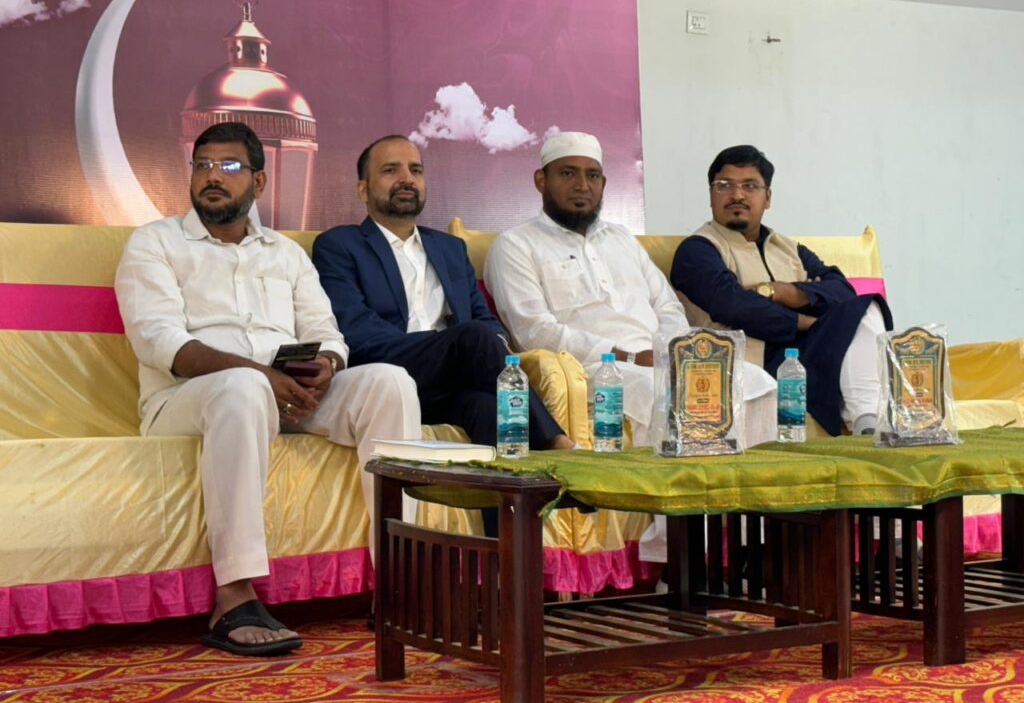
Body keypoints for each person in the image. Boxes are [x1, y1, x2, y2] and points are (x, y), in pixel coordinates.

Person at [115, 123, 420, 657]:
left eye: (230, 166)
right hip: (187, 400)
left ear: (259, 181)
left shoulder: (285, 253)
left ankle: (400, 585)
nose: (213, 176)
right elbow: (161, 342)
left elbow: (327, 332)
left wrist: (326, 364)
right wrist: (259, 374)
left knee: (390, 382)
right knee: (241, 387)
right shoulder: (155, 242)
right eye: (203, 165)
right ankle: (234, 596)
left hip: (285, 395)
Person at [483, 131, 777, 450]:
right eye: (568, 173)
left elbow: (667, 306)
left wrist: (668, 352)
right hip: (591, 368)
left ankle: (754, 479)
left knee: (757, 381)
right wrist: (627, 356)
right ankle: (670, 481)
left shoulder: (621, 239)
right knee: (655, 391)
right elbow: (534, 331)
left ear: (603, 184)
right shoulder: (515, 245)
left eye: (592, 175)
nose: (582, 185)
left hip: (658, 360)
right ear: (541, 180)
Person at [312, 135, 574, 463]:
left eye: (416, 170)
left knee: (488, 408)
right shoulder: (340, 245)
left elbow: (484, 318)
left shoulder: (450, 248)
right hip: (385, 373)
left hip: (448, 385)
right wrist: (447, 348)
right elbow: (356, 329)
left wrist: (478, 350)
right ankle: (557, 442)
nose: (407, 178)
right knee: (472, 337)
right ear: (363, 190)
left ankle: (509, 496)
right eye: (391, 170)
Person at [672, 144, 892, 436]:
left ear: (768, 198)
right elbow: (735, 307)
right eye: (724, 185)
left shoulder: (788, 249)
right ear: (711, 194)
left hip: (805, 355)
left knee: (866, 306)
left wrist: (782, 292)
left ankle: (868, 423)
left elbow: (842, 291)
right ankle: (869, 423)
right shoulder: (698, 250)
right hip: (749, 367)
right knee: (856, 318)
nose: (737, 195)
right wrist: (813, 320)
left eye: (750, 186)